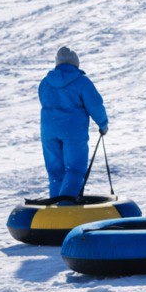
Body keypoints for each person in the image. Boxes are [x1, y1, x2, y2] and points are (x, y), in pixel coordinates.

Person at [38, 46, 108, 199]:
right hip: (72, 131)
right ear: (76, 64)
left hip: (48, 131)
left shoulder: (45, 82)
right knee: (74, 169)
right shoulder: (81, 82)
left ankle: (55, 204)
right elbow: (95, 105)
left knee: (55, 171)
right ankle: (66, 204)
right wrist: (103, 124)